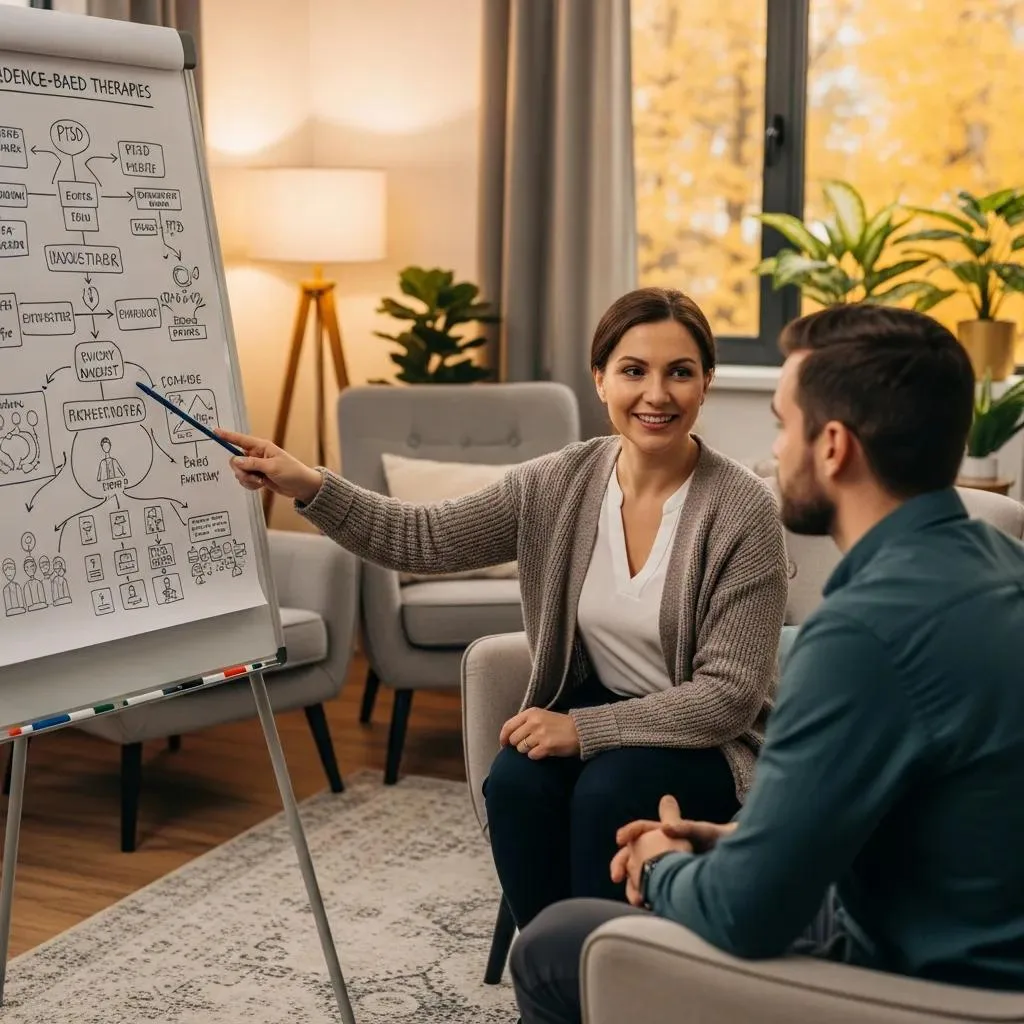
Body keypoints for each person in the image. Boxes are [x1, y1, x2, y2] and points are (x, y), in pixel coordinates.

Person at [509, 303, 1024, 1024]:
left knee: (557, 946)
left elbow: (744, 914)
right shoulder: (1001, 561)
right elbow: (924, 805)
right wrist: (737, 842)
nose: (775, 451)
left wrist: (659, 864)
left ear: (834, 445)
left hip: (925, 980)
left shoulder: (857, 637)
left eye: (783, 425)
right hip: (966, 926)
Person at [221, 287, 788, 928]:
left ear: (706, 383)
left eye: (679, 372)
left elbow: (730, 697)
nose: (656, 395)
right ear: (599, 379)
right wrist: (310, 485)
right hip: (600, 702)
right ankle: (551, 975)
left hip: (705, 739)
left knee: (608, 790)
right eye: (634, 371)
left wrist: (582, 731)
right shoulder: (559, 482)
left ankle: (601, 980)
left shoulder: (746, 510)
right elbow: (423, 536)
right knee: (517, 784)